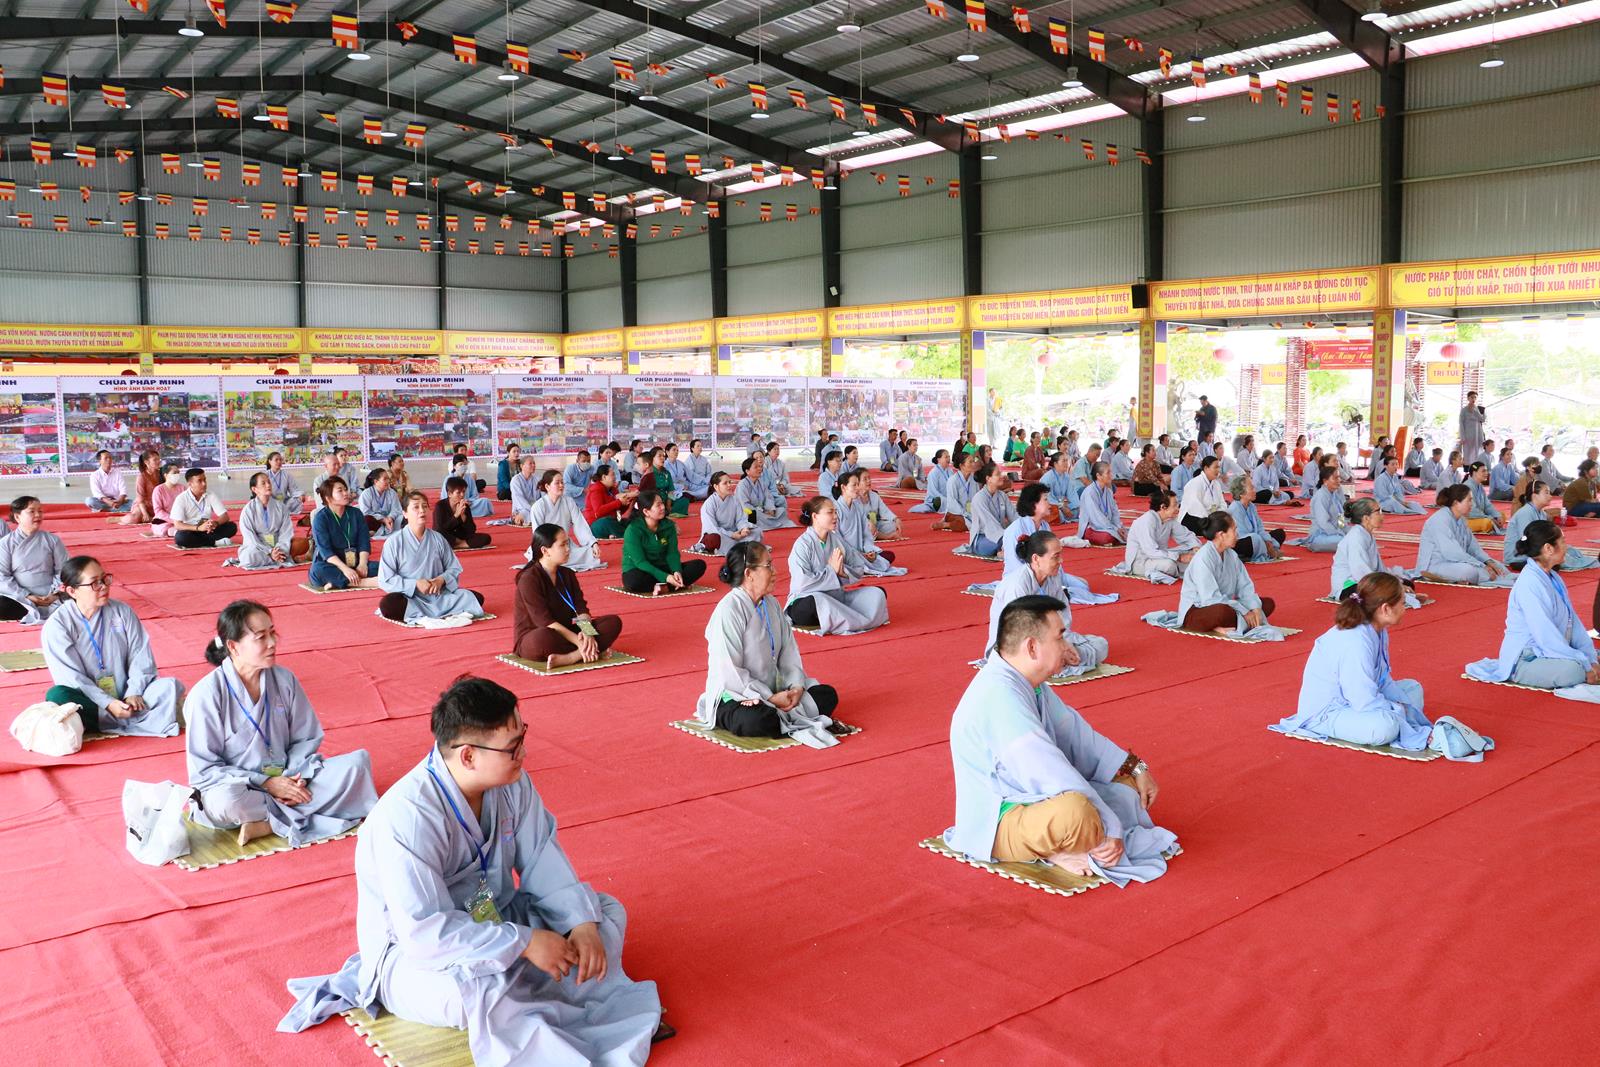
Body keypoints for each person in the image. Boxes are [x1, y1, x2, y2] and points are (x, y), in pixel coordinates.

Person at [276, 676, 667, 1063]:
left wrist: (578, 923)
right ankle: (544, 998)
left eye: (522, 737)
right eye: (512, 747)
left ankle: (536, 993)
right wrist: (524, 943)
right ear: (468, 756)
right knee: (475, 990)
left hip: (497, 917)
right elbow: (426, 934)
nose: (523, 753)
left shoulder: (512, 783)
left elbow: (541, 856)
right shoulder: (407, 817)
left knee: (603, 913)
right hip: (418, 958)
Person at [947, 594, 1172, 878]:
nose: (1067, 647)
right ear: (1032, 647)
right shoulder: (1000, 695)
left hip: (1037, 798)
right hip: (999, 819)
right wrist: (1111, 827)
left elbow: (1081, 739)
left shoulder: (1030, 684)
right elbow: (1049, 772)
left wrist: (1136, 767)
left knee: (1127, 784)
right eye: (1060, 637)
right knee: (1077, 813)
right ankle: (1051, 851)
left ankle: (1062, 846)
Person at [186, 600, 377, 847]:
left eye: (272, 633)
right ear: (233, 646)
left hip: (287, 776)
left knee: (357, 765)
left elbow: (305, 738)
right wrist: (266, 784)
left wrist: (295, 777)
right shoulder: (207, 694)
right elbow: (204, 770)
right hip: (243, 789)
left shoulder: (284, 679)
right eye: (261, 637)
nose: (272, 643)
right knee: (227, 801)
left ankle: (267, 823)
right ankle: (293, 815)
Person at [693, 541, 846, 743]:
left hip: (774, 691)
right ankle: (782, 713)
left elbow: (789, 653)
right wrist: (767, 697)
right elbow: (729, 671)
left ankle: (782, 712)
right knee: (759, 720)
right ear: (749, 573)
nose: (775, 571)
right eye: (768, 566)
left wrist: (796, 687)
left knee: (827, 695)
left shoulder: (771, 604)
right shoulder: (729, 610)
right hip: (738, 695)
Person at [1272, 573, 1432, 749]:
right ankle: (1392, 721)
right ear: (1385, 609)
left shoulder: (1379, 630)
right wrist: (1398, 709)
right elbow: (1362, 699)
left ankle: (1395, 717)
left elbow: (1383, 679)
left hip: (1357, 699)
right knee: (1386, 726)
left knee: (1412, 689)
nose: (1405, 608)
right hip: (1328, 713)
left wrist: (1400, 705)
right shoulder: (1356, 641)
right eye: (1402, 603)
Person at [41, 556, 183, 739]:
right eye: (94, 583)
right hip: (93, 702)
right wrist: (108, 703)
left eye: (105, 579)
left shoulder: (122, 611)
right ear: (72, 591)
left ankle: (119, 721)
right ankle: (140, 721)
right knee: (59, 695)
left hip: (130, 697)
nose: (104, 586)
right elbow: (71, 677)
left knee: (170, 685)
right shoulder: (58, 625)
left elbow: (140, 655)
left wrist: (134, 692)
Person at [1466, 521, 1598, 689]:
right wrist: (1584, 664)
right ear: (1548, 548)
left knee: (1590, 659)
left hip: (1552, 649)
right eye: (1563, 542)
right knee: (1574, 671)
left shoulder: (1554, 577)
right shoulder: (1529, 583)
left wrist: (1590, 658)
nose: (1566, 547)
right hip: (1526, 659)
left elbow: (1574, 622)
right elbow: (1545, 634)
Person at [983, 530, 1108, 673]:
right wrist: (1056, 648)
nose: (1061, 561)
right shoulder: (1018, 584)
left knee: (1101, 645)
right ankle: (1054, 660)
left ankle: (1056, 661)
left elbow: (1062, 614)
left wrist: (1064, 644)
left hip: (1048, 639)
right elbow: (1019, 629)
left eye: (1061, 555)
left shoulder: (1053, 577)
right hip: (1017, 646)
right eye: (1056, 556)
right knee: (1053, 655)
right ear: (1036, 558)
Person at [514, 525, 623, 669]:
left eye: (568, 544)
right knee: (543, 639)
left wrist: (587, 633)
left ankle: (573, 656)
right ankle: (587, 652)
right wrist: (579, 641)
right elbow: (544, 621)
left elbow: (580, 609)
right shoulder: (529, 578)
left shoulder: (567, 574)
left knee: (612, 622)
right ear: (545, 551)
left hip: (568, 633)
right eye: (562, 545)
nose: (568, 549)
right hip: (538, 635)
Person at [377, 492, 487, 624]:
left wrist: (441, 580)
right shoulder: (394, 542)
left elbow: (453, 568)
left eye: (424, 506)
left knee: (476, 598)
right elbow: (386, 579)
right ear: (405, 513)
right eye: (416, 507)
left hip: (439, 595)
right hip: (411, 598)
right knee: (388, 605)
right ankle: (440, 611)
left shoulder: (438, 538)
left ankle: (433, 611)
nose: (422, 510)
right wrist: (415, 584)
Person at [785, 496, 889, 634]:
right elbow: (801, 583)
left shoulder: (836, 539)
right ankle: (848, 618)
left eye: (836, 512)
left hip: (836, 598)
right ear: (815, 516)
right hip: (807, 599)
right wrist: (831, 571)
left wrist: (843, 573)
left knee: (877, 593)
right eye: (830, 512)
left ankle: (840, 618)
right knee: (816, 603)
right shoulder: (802, 545)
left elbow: (857, 565)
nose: (835, 516)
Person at [1177, 514, 1276, 634]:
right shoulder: (1203, 558)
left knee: (1266, 604)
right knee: (1222, 613)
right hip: (1199, 609)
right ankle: (1229, 623)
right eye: (1234, 530)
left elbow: (1245, 586)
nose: (1237, 535)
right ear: (1221, 535)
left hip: (1226, 604)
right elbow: (1210, 598)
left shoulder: (1232, 555)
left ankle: (1237, 622)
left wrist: (1255, 608)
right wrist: (1244, 611)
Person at [1330, 498, 1421, 605]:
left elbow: (1379, 568)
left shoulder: (1366, 534)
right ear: (1366, 518)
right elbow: (1361, 573)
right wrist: (1388, 586)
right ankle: (1400, 595)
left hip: (1366, 580)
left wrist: (1394, 582)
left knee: (1406, 583)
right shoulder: (1356, 537)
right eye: (1378, 512)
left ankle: (1398, 594)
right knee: (1383, 593)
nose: (1382, 516)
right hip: (1349, 585)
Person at [1417, 484, 1508, 585]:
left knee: (1497, 565)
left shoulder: (1461, 519)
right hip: (1436, 565)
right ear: (1456, 503)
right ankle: (1434, 576)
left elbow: (1473, 548)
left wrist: (1488, 561)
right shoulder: (1440, 520)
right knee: (1470, 571)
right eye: (1469, 500)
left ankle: (1475, 577)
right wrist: (1481, 565)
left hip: (1455, 562)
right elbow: (1451, 553)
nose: (1472, 504)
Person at [620, 491, 706, 596]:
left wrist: (676, 571)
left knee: (699, 565)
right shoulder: (633, 530)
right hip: (641, 569)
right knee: (633, 581)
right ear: (646, 511)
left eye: (662, 503)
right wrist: (666, 577)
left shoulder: (669, 526)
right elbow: (640, 562)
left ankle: (663, 586)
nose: (663, 507)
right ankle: (670, 585)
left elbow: (672, 553)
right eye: (658, 505)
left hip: (663, 567)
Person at [0, 497, 67, 624]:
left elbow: (64, 569)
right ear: (18, 517)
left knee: (84, 594)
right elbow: (2, 576)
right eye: (32, 511)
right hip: (20, 597)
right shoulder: (5, 544)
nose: (38, 515)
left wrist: (54, 594)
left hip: (50, 594)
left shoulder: (52, 540)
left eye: (40, 511)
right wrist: (26, 595)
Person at [1505, 481, 1597, 571]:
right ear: (1534, 495)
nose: (1550, 496)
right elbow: (1528, 541)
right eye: (1546, 493)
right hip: (1519, 557)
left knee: (1569, 550)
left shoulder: (1541, 513)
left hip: (1535, 549)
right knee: (1557, 557)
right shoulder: (1525, 513)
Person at [309, 477, 380, 590]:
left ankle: (338, 583)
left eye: (345, 489)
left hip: (354, 562)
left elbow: (364, 542)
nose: (346, 493)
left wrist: (362, 564)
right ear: (328, 498)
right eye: (340, 491)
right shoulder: (321, 518)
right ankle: (363, 582)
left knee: (383, 567)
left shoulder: (356, 513)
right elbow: (326, 552)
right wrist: (345, 569)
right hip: (332, 564)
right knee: (318, 571)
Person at [528, 471, 604, 571]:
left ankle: (557, 561)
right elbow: (538, 534)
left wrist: (592, 543)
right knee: (547, 557)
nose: (561, 485)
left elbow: (580, 524)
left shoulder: (569, 502)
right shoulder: (538, 506)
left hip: (565, 545)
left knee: (590, 554)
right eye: (557, 483)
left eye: (562, 482)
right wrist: (551, 548)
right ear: (547, 486)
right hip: (547, 547)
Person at [835, 470, 905, 577]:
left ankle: (861, 564)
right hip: (845, 554)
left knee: (888, 555)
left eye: (858, 484)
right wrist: (857, 554)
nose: (857, 488)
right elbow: (836, 540)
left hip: (861, 551)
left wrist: (870, 551)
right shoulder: (835, 510)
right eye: (854, 485)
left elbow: (866, 534)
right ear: (843, 487)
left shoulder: (857, 506)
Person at [238, 473, 310, 568]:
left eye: (269, 482)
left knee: (303, 544)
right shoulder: (248, 510)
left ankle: (276, 557)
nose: (268, 485)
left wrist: (278, 549)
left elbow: (286, 532)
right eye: (263, 483)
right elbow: (249, 537)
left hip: (278, 545)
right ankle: (277, 558)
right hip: (258, 547)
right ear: (254, 489)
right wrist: (269, 552)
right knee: (247, 557)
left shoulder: (281, 507)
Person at [1123, 490, 1198, 579]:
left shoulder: (1169, 519)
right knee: (1169, 565)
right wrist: (1179, 557)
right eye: (1174, 506)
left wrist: (1195, 547)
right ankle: (1190, 569)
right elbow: (1151, 551)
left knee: (1194, 554)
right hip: (1142, 562)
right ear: (1163, 507)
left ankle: (1190, 567)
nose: (1178, 509)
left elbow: (1186, 536)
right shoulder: (1147, 521)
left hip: (1161, 556)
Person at [170, 468, 239, 548]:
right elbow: (178, 525)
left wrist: (215, 523)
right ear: (190, 484)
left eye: (205, 480)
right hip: (191, 530)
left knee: (232, 527)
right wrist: (198, 528)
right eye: (199, 481)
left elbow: (225, 516)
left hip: (208, 530)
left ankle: (203, 541)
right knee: (180, 537)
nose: (204, 484)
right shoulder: (181, 498)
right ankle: (215, 542)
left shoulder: (210, 495)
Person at [697, 472, 759, 555]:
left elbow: (741, 519)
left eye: (730, 482)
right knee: (713, 538)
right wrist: (731, 535)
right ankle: (745, 547)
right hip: (721, 535)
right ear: (716, 486)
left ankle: (741, 547)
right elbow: (711, 527)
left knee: (757, 531)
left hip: (736, 533)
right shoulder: (709, 504)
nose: (729, 485)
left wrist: (743, 529)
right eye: (725, 483)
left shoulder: (734, 499)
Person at [1227, 474, 1285, 562]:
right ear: (1241, 493)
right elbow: (1241, 534)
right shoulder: (1235, 509)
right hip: (1242, 541)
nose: (1255, 491)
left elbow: (1260, 527)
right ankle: (1266, 551)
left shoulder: (1251, 506)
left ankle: (1266, 550)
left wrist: (1268, 541)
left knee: (1280, 533)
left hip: (1257, 539)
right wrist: (1264, 543)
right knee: (1253, 538)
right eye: (1252, 488)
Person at [968, 461, 1019, 557]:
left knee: (1021, 538)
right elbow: (989, 524)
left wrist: (1024, 527)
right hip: (982, 538)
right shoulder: (979, 498)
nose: (1001, 476)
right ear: (988, 479)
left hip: (1001, 534)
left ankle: (1005, 549)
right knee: (1009, 542)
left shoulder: (1002, 495)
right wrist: (1007, 537)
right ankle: (1003, 548)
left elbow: (1013, 516)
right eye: (998, 474)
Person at [736, 455, 797, 530]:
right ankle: (768, 523)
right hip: (747, 511)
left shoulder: (761, 482)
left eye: (760, 466)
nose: (759, 469)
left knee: (781, 511)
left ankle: (769, 522)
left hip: (763, 510)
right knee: (753, 516)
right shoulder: (742, 485)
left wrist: (770, 509)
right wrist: (760, 512)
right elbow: (744, 505)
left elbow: (768, 497)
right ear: (747, 471)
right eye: (756, 467)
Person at [433, 477, 493, 551]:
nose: (462, 495)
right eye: (458, 492)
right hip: (445, 536)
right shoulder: (440, 506)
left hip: (459, 536)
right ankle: (461, 544)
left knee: (486, 538)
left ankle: (457, 545)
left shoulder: (465, 506)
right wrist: (456, 516)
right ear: (449, 494)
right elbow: (439, 528)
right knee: (439, 533)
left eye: (463, 492)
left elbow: (471, 530)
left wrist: (463, 519)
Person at [1077, 461, 1126, 546]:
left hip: (1108, 526)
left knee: (1129, 531)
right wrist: (1115, 529)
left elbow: (1115, 512)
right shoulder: (1090, 493)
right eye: (1108, 473)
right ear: (1098, 476)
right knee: (1107, 537)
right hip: (1093, 528)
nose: (1111, 475)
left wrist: (1118, 527)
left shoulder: (1108, 491)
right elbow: (1096, 518)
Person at [582, 464, 637, 539]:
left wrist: (628, 501)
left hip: (611, 521)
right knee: (606, 522)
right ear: (604, 477)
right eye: (612, 475)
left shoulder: (613, 489)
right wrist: (619, 502)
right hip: (595, 524)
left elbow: (619, 510)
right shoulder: (596, 489)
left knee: (631, 520)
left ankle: (633, 535)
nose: (615, 477)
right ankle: (630, 537)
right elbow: (598, 512)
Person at [1301, 465, 1348, 552]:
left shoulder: (1334, 494)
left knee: (1359, 535)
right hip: (1321, 535)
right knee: (1348, 541)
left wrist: (1345, 530)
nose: (1339, 480)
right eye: (1335, 478)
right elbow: (1323, 523)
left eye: (1339, 477)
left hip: (1336, 533)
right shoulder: (1320, 496)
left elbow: (1341, 517)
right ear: (1325, 481)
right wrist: (1340, 533)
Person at [1179, 455, 1227, 537]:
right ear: (1206, 468)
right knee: (1215, 528)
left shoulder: (1216, 484)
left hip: (1212, 516)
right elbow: (1195, 508)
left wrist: (1220, 514)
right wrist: (1211, 518)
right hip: (1194, 517)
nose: (1218, 470)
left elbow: (1222, 503)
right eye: (1215, 467)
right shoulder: (1195, 483)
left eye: (1219, 467)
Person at [642, 447, 690, 518]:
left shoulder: (666, 473)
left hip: (665, 500)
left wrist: (668, 505)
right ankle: (663, 512)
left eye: (663, 456)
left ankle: (667, 512)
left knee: (684, 501)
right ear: (652, 458)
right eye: (659, 456)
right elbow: (644, 493)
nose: (662, 458)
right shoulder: (649, 473)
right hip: (654, 501)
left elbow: (671, 491)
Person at [445, 454, 495, 519]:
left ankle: (465, 512)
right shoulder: (449, 479)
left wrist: (469, 501)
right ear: (454, 466)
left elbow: (475, 495)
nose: (463, 466)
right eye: (461, 464)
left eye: (465, 464)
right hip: (454, 505)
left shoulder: (469, 478)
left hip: (468, 504)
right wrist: (458, 502)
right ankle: (459, 512)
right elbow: (445, 497)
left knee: (485, 501)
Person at [120, 448, 162, 526]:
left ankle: (152, 518)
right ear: (146, 462)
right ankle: (120, 519)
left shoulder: (162, 474)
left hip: (158, 505)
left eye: (159, 459)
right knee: (133, 519)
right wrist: (145, 513)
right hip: (143, 506)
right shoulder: (141, 477)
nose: (158, 461)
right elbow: (140, 499)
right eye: (155, 460)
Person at [358, 468, 403, 537]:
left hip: (390, 521)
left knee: (405, 517)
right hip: (376, 522)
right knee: (366, 519)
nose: (388, 481)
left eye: (388, 479)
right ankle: (377, 532)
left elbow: (396, 509)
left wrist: (390, 518)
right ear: (376, 481)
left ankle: (375, 533)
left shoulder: (392, 492)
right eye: (385, 479)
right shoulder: (366, 494)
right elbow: (365, 512)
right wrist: (382, 519)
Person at [1464, 461, 1505, 534]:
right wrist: (1490, 518)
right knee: (1486, 523)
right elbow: (1472, 511)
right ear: (1474, 473)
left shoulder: (1479, 486)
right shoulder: (1467, 486)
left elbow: (1487, 505)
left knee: (1501, 515)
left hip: (1480, 516)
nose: (1486, 473)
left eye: (1486, 471)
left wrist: (1497, 516)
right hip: (1468, 519)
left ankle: (1492, 523)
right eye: (1483, 471)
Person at [859, 471, 901, 539]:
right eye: (865, 479)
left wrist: (896, 519)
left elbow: (885, 511)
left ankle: (876, 534)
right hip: (862, 525)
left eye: (869, 478)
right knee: (867, 528)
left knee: (893, 526)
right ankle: (884, 536)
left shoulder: (874, 495)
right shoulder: (854, 497)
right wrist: (868, 523)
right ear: (857, 483)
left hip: (875, 524)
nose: (868, 481)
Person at [1039, 451, 1077, 525]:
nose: (1066, 463)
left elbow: (1072, 494)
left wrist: (1075, 506)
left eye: (1067, 460)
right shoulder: (1047, 478)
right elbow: (1048, 498)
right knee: (1057, 513)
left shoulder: (1066, 476)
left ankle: (1066, 518)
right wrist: (1062, 507)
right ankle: (1064, 518)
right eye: (1063, 461)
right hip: (1049, 506)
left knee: (1077, 509)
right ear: (1055, 464)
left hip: (1061, 505)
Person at [150, 462, 185, 537]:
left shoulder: (182, 488)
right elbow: (158, 511)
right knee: (166, 529)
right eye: (174, 473)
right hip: (163, 521)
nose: (177, 474)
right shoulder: (158, 490)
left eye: (178, 472)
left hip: (181, 520)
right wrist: (174, 520)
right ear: (166, 475)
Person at [508, 456, 542, 526]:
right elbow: (519, 498)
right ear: (522, 466)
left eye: (534, 463)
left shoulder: (538, 479)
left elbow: (544, 496)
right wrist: (533, 509)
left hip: (537, 507)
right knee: (525, 514)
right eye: (530, 463)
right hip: (522, 508)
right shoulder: (516, 480)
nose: (533, 465)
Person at [1458, 389, 1486, 458]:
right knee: (1468, 453)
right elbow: (1461, 423)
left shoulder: (1478, 409)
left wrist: (1478, 412)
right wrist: (1462, 437)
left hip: (1478, 433)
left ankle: (1477, 464)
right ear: (1468, 398)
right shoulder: (1464, 410)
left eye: (1475, 397)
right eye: (1472, 397)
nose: (1473, 399)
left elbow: (1482, 419)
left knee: (1478, 452)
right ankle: (1468, 465)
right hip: (1468, 435)